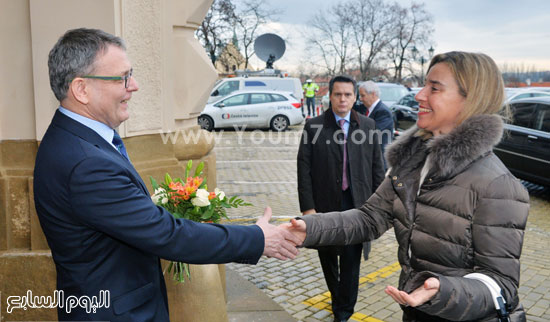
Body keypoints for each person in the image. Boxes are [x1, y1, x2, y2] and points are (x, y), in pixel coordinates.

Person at [34, 28, 300, 321]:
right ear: (81, 89)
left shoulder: (75, 140)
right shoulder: (86, 164)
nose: (133, 85)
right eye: (122, 77)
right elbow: (168, 235)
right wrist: (258, 239)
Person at [287, 52, 529, 321]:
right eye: (424, 85)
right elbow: (369, 218)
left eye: (434, 88)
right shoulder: (412, 163)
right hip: (415, 310)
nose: (419, 95)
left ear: (470, 99)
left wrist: (442, 290)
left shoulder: (498, 186)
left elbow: (502, 286)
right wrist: (309, 228)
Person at [297, 75, 385, 322]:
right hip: (324, 205)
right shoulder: (313, 126)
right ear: (330, 96)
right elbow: (303, 169)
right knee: (327, 257)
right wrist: (308, 208)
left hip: (357, 205)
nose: (343, 99)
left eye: (348, 94)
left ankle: (343, 312)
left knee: (350, 261)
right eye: (338, 94)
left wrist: (379, 207)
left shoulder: (367, 125)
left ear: (355, 97)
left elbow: (377, 167)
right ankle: (337, 298)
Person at [358, 81, 394, 167]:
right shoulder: (366, 109)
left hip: (379, 161)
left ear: (373, 94)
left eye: (363, 95)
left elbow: (372, 134)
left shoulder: (383, 112)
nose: (361, 99)